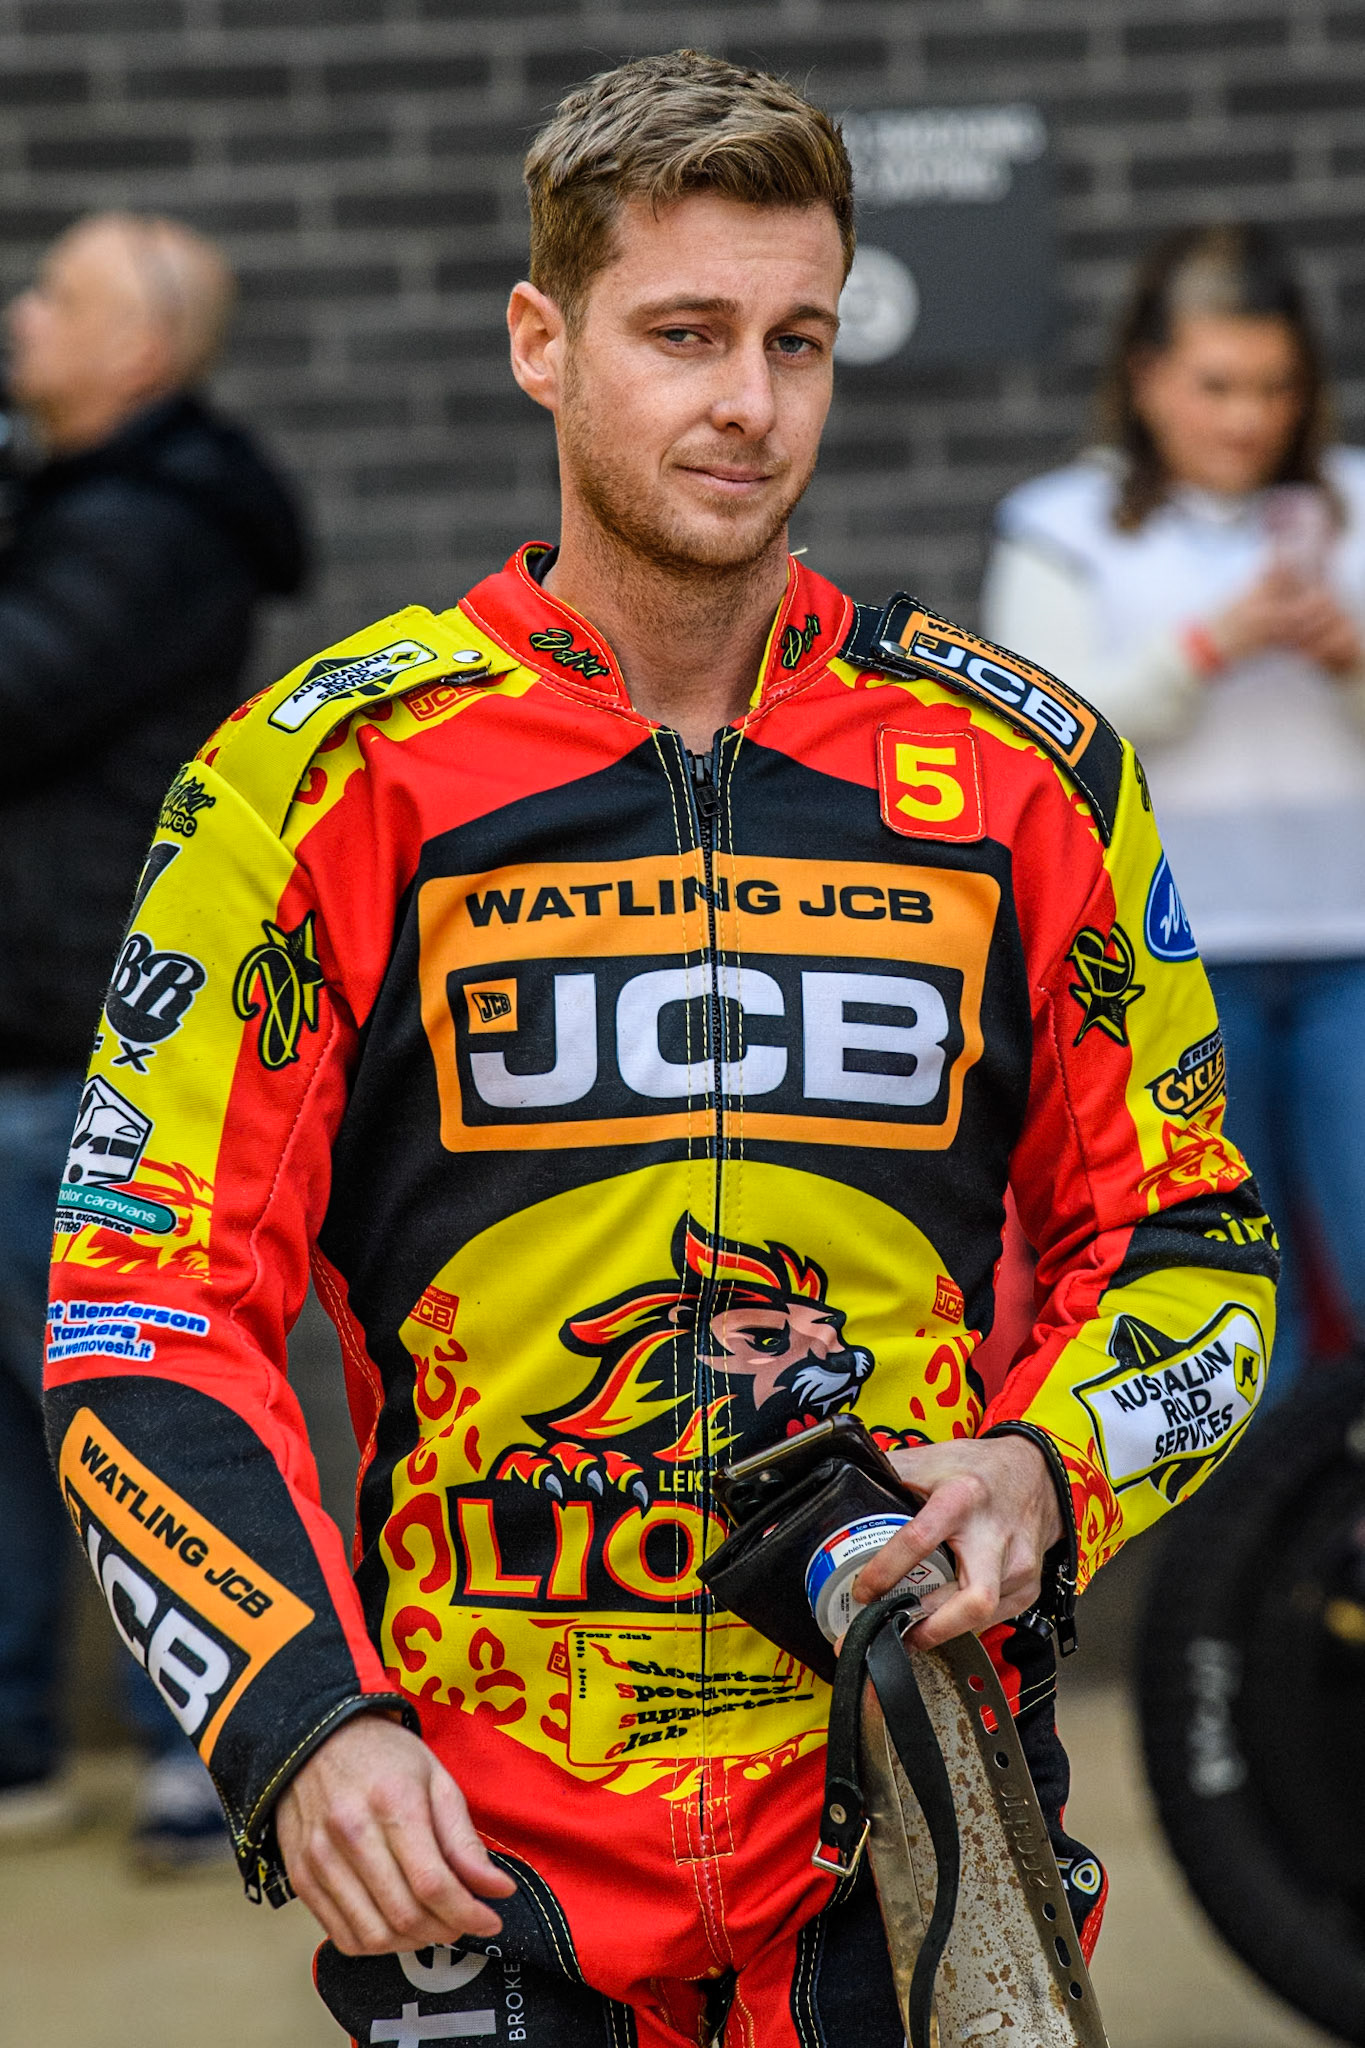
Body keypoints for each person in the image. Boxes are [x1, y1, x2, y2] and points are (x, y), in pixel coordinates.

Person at [45, 57, 1275, 2046]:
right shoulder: (317, 785)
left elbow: (1196, 1250)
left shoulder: (1022, 777)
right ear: (541, 341)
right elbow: (139, 1311)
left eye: (797, 338)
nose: (747, 404)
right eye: (681, 334)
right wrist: (295, 1722)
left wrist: (1047, 1469)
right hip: (476, 1846)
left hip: (908, 1813)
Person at [0, 212, 307, 1864]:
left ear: (143, 349)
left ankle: (205, 1754)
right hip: (19, 1039)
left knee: (128, 1402)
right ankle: (21, 1750)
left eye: (57, 294)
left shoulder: (156, 525)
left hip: (91, 1045)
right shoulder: (65, 503)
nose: (19, 313)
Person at [983, 224, 1365, 1396]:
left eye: (1275, 386)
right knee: (1237, 1305)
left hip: (1352, 945)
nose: (1248, 417)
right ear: (1147, 376)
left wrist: (1350, 658)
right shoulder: (1062, 526)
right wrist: (1209, 645)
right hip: (1167, 969)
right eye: (1216, 385)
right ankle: (1250, 1575)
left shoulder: (1355, 501)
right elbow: (1037, 740)